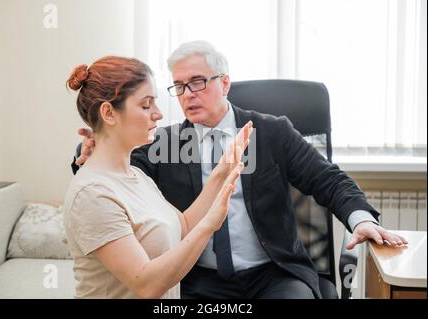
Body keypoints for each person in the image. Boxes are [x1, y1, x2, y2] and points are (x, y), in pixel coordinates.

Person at [72, 42, 407, 299]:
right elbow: (116, 173)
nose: (188, 95)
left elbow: (328, 180)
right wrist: (88, 148)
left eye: (198, 82)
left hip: (273, 274)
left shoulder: (270, 132)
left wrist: (361, 219)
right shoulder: (164, 141)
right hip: (197, 280)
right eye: (179, 86)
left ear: (225, 83)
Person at [63, 55, 253, 298]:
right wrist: (209, 225)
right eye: (146, 105)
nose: (159, 114)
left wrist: (221, 172)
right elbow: (146, 284)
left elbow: (181, 228)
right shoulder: (91, 194)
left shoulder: (136, 176)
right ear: (109, 113)